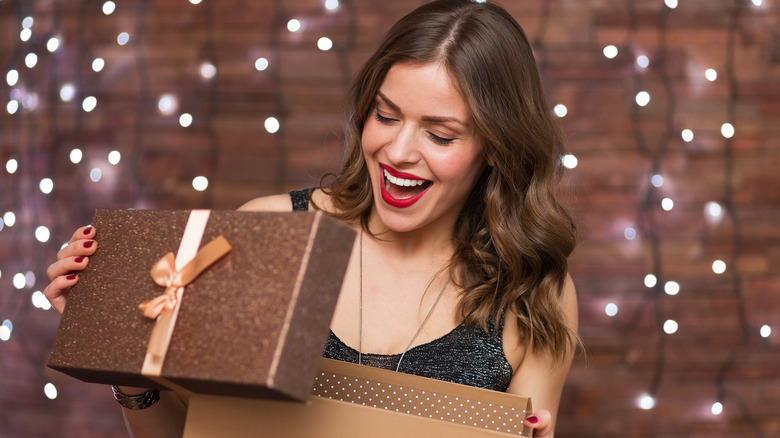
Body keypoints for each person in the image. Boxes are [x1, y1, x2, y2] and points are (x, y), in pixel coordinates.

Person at [45, 0, 579, 436]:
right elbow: (195, 431)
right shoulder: (269, 234)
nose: (397, 152)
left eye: (439, 135)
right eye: (385, 115)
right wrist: (125, 359)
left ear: (496, 147)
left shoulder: (534, 293)